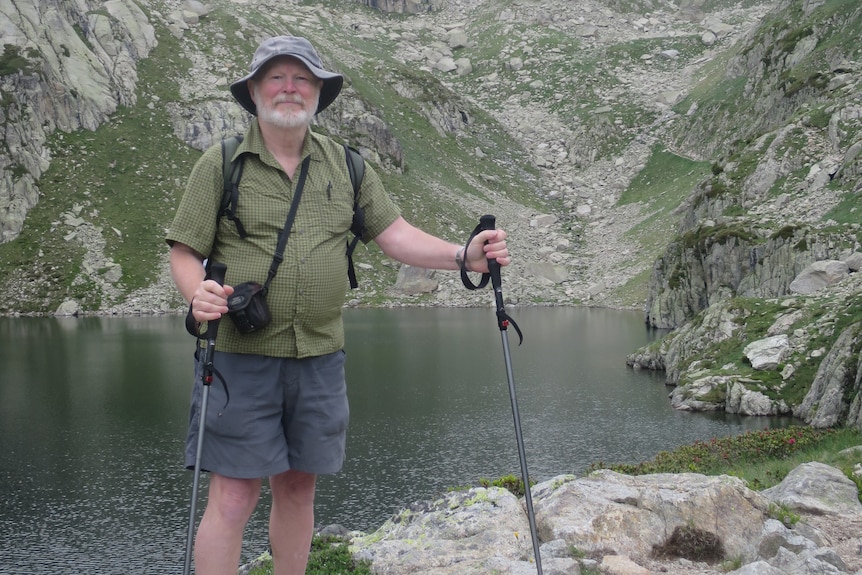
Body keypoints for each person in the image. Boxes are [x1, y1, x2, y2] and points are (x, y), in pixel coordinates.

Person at [166, 35, 510, 575]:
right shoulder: (222, 163)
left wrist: (464, 257)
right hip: (239, 358)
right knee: (233, 499)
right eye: (275, 77)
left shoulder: (347, 166)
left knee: (299, 490)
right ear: (254, 91)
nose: (289, 88)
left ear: (319, 93)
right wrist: (197, 291)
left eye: (301, 78)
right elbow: (185, 251)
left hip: (321, 358)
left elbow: (394, 235)